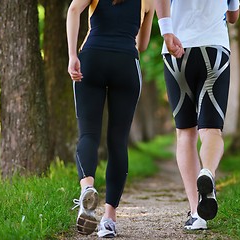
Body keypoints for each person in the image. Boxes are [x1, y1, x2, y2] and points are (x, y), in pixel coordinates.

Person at [66, 0, 154, 237]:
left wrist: (73, 55)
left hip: (91, 60)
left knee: (88, 134)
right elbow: (142, 44)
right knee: (118, 141)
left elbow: (73, 10)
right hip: (126, 62)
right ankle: (109, 219)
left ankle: (87, 188)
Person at [154, 0, 240, 230]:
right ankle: (208, 173)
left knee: (185, 134)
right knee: (211, 130)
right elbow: (233, 16)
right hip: (215, 49)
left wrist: (166, 32)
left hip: (176, 48)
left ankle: (196, 214)